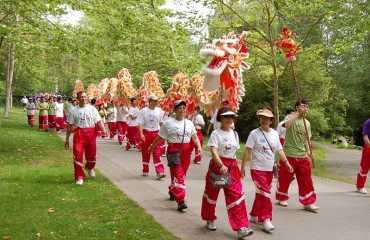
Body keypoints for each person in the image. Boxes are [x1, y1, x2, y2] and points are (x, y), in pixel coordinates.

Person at [201, 106, 253, 239]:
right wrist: (220, 164)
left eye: (232, 117)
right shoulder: (216, 133)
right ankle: (209, 218)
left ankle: (241, 227)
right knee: (211, 195)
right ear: (220, 119)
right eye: (226, 117)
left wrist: (239, 168)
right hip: (218, 166)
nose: (230, 119)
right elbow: (213, 151)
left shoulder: (235, 134)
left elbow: (234, 153)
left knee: (237, 196)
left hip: (232, 167)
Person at [241, 107, 293, 232]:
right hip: (257, 169)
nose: (264, 120)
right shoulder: (254, 133)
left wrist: (286, 162)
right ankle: (266, 219)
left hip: (269, 169)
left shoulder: (275, 134)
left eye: (267, 118)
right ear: (259, 120)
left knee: (261, 192)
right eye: (262, 118)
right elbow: (247, 151)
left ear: (271, 120)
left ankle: (254, 215)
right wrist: (242, 167)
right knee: (265, 192)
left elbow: (279, 149)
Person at [149, 100, 202, 212]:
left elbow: (195, 137)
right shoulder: (168, 123)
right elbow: (160, 137)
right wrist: (152, 146)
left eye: (183, 107)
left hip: (186, 151)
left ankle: (173, 190)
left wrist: (199, 148)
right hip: (173, 150)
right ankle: (181, 201)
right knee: (178, 174)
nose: (182, 110)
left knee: (181, 174)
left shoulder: (189, 123)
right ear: (175, 110)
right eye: (179, 108)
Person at [275, 98, 319, 212]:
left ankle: (308, 202)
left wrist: (309, 152)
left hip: (302, 155)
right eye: (303, 106)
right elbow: (287, 126)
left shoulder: (307, 123)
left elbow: (307, 140)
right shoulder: (290, 117)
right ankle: (281, 197)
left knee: (306, 179)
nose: (306, 109)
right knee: (285, 177)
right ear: (297, 107)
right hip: (289, 154)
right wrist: (297, 113)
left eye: (307, 107)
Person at [65, 91, 106, 185]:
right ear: (78, 98)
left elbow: (99, 121)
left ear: (86, 98)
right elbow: (69, 125)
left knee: (91, 154)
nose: (83, 98)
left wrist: (103, 130)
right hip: (79, 133)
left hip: (90, 132)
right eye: (81, 97)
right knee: (78, 154)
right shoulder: (73, 110)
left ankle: (89, 167)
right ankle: (79, 176)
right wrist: (67, 139)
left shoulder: (92, 109)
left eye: (84, 97)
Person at [137, 94, 166, 179]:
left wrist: (163, 132)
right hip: (146, 132)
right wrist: (141, 134)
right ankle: (145, 169)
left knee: (157, 152)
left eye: (157, 101)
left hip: (156, 133)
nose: (156, 102)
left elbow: (161, 123)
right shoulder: (143, 111)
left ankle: (160, 172)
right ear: (150, 101)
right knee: (146, 152)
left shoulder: (159, 111)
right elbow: (140, 123)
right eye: (155, 101)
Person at [356, 118, 370, 194]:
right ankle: (360, 186)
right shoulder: (368, 123)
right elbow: (365, 137)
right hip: (368, 147)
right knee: (364, 167)